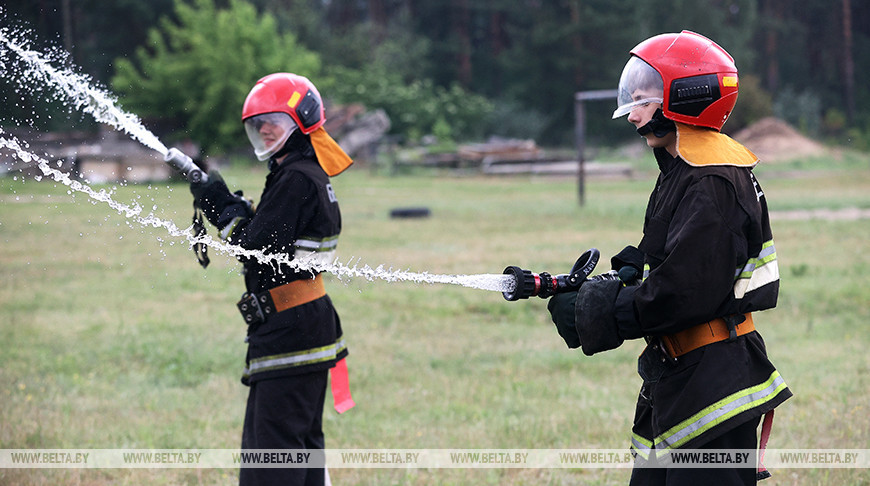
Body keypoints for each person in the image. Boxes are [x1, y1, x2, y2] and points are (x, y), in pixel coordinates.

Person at [548, 31, 792, 485]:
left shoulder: (712, 182)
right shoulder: (685, 169)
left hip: (713, 387)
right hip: (683, 375)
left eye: (643, 99)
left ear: (685, 98)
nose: (632, 114)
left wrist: (598, 314)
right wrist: (624, 274)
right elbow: (668, 254)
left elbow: (682, 293)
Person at [190, 72, 355, 486]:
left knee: (272, 460)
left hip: (290, 330)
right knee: (301, 449)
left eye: (274, 121)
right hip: (303, 324)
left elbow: (255, 251)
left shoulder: (296, 178)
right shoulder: (301, 173)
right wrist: (235, 207)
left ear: (302, 122)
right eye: (258, 123)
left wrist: (220, 206)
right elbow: (275, 241)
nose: (264, 129)